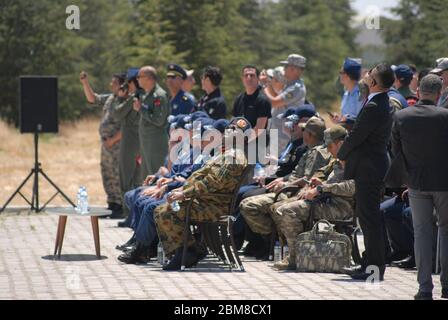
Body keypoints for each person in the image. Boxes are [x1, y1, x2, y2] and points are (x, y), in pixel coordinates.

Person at [154, 117, 251, 270]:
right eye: (229, 128)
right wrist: (182, 189)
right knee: (162, 209)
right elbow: (202, 175)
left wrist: (185, 194)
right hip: (206, 201)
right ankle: (187, 250)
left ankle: (188, 251)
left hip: (213, 206)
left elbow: (213, 182)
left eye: (235, 131)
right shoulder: (225, 154)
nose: (228, 131)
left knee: (165, 211)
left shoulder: (233, 157)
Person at [239, 117, 331, 258]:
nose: (302, 132)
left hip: (294, 194)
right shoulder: (310, 150)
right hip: (289, 190)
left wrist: (286, 184)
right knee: (247, 202)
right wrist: (283, 180)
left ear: (310, 135)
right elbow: (297, 175)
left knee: (249, 206)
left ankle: (274, 239)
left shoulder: (317, 152)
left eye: (304, 130)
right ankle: (273, 240)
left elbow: (308, 180)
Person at [391, 74, 448, 300]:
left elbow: (396, 151)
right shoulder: (445, 116)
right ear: (439, 92)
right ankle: (447, 285)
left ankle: (424, 289)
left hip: (415, 182)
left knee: (421, 233)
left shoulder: (402, 116)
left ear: (419, 91)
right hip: (444, 183)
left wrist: (407, 176)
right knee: (445, 230)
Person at [338, 63, 395, 281]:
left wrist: (341, 153)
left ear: (373, 82)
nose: (365, 76)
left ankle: (373, 268)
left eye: (369, 75)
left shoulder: (375, 105)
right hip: (372, 167)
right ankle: (369, 263)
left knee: (369, 219)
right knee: (370, 218)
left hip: (370, 169)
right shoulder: (377, 102)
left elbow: (357, 135)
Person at [272, 125, 355, 270]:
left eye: (330, 146)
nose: (328, 150)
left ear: (340, 144)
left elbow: (352, 187)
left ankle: (295, 257)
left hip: (341, 207)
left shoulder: (351, 160)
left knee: (288, 211)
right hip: (328, 201)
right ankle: (302, 254)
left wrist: (321, 188)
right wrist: (319, 184)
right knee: (283, 208)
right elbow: (327, 180)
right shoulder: (337, 159)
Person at [79, 71, 124, 217]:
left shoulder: (125, 101)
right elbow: (92, 98)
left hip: (117, 144)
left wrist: (113, 140)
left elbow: (127, 127)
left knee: (117, 174)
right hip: (106, 144)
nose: (111, 84)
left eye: (115, 82)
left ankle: (120, 206)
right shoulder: (111, 98)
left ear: (122, 85)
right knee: (107, 173)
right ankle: (112, 203)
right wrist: (85, 83)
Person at [260, 54, 308, 153]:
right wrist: (268, 85)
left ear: (293, 69)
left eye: (286, 67)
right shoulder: (290, 85)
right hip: (278, 131)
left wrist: (264, 85)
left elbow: (274, 102)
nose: (284, 69)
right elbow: (276, 97)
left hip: (283, 135)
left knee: (273, 164)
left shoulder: (296, 88)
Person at [134, 66, 170, 177]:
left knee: (156, 175)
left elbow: (159, 120)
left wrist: (141, 109)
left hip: (155, 143)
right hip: (146, 142)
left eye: (140, 76)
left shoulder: (159, 95)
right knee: (146, 177)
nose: (137, 79)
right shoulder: (147, 95)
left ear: (149, 78)